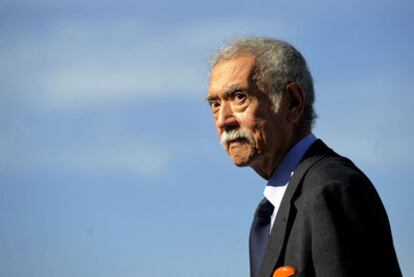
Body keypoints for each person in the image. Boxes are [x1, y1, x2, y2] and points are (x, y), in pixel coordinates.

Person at [206, 37, 401, 277]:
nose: (223, 119)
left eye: (239, 97)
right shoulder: (282, 202)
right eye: (215, 104)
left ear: (293, 103)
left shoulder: (329, 190)